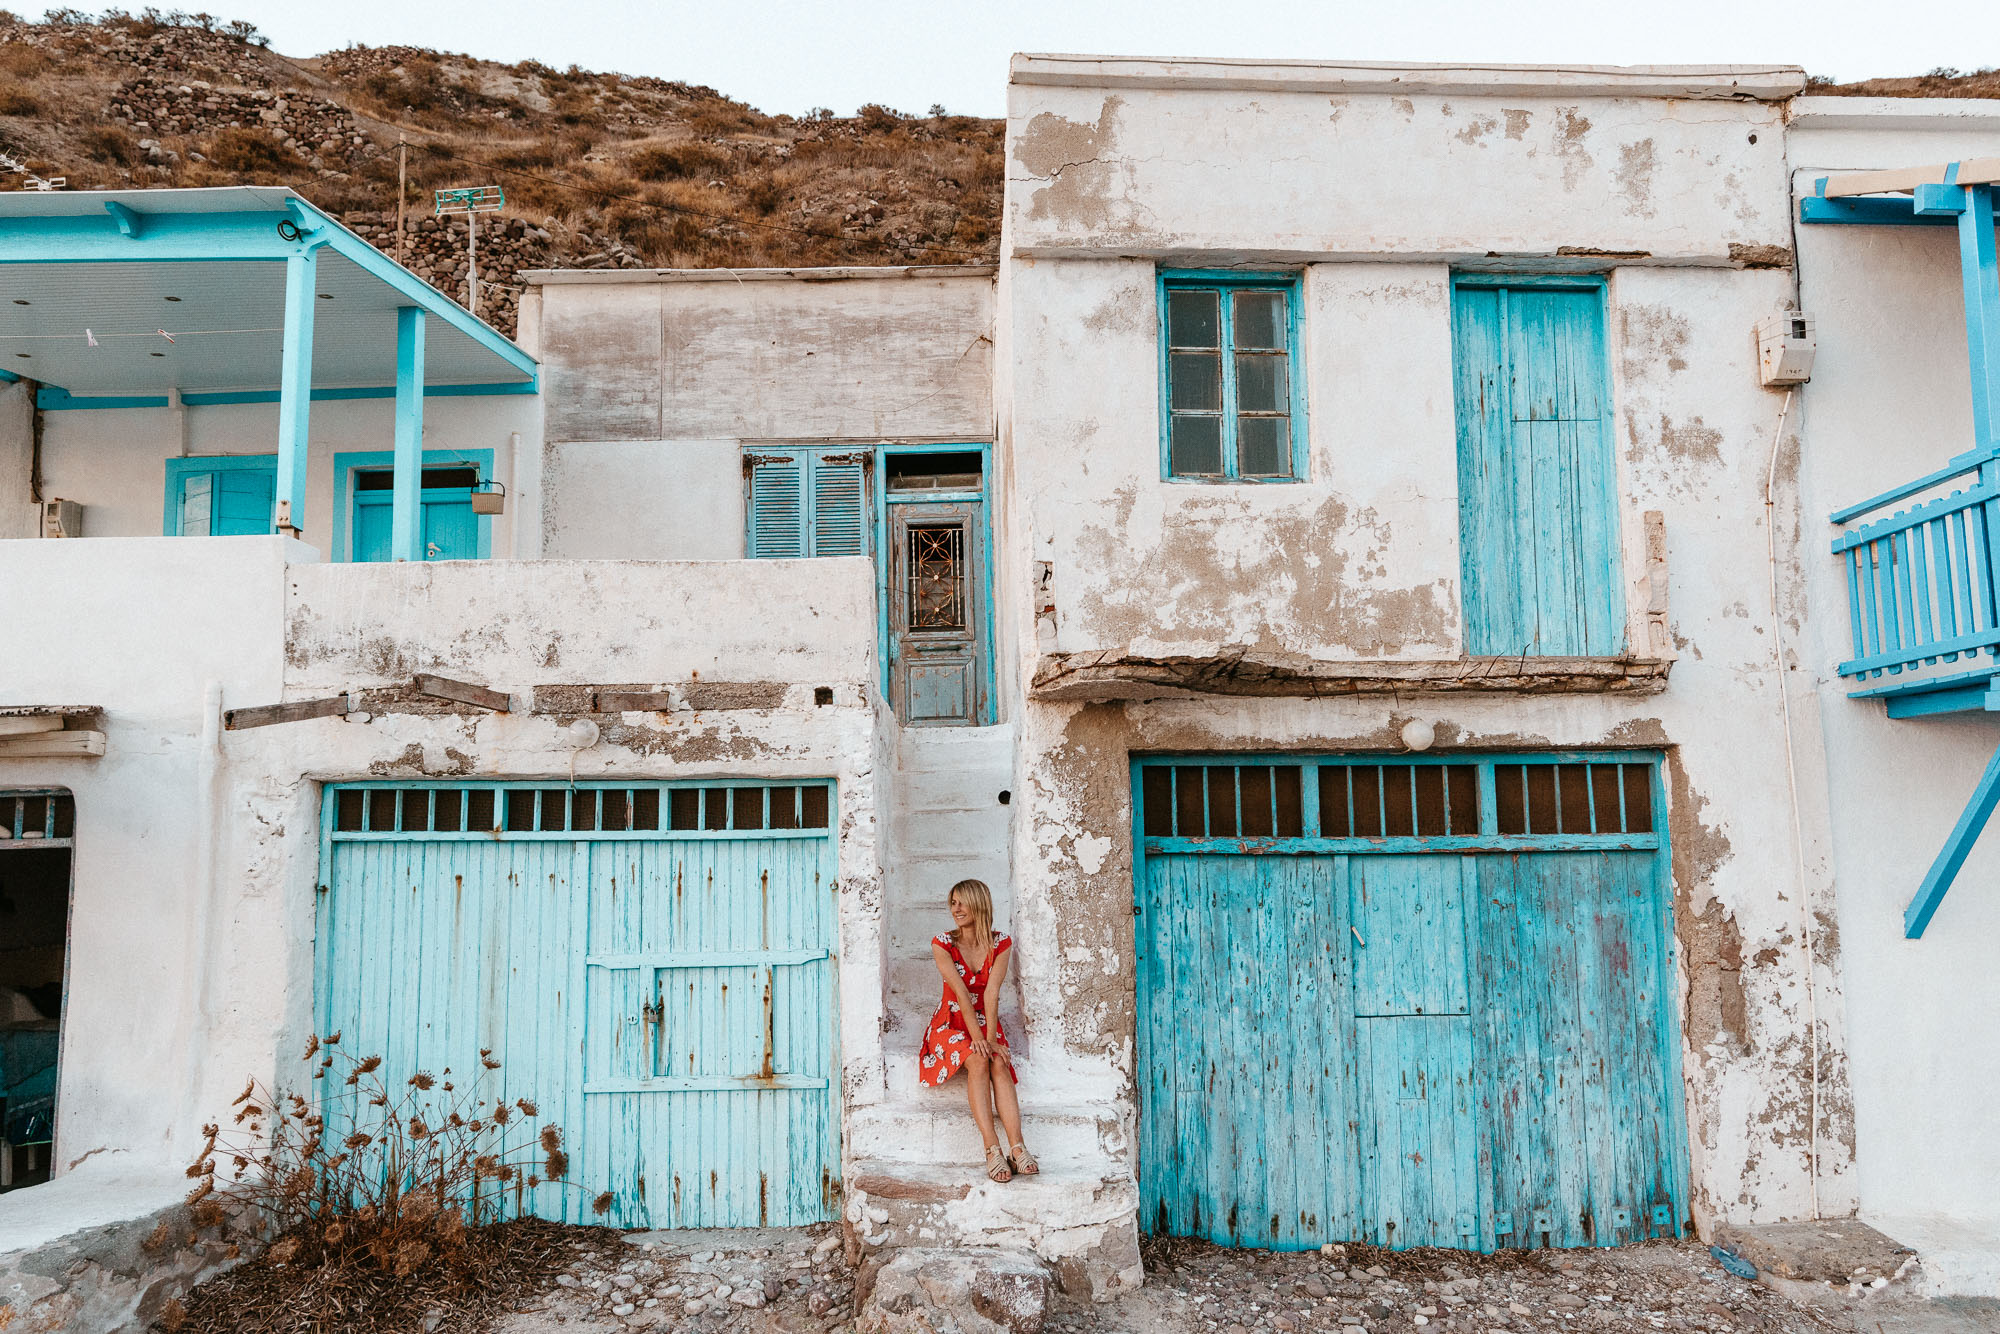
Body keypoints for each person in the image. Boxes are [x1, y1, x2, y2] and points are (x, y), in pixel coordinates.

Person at [918, 878, 1037, 1183]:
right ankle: (991, 1148)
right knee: (977, 1058)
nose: (956, 909)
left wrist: (991, 1038)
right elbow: (959, 993)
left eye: (961, 902)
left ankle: (1017, 1147)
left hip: (985, 1019)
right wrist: (978, 1041)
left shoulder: (1001, 943)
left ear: (978, 903)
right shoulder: (942, 943)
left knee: (998, 1059)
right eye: (953, 903)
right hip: (949, 1022)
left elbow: (991, 993)